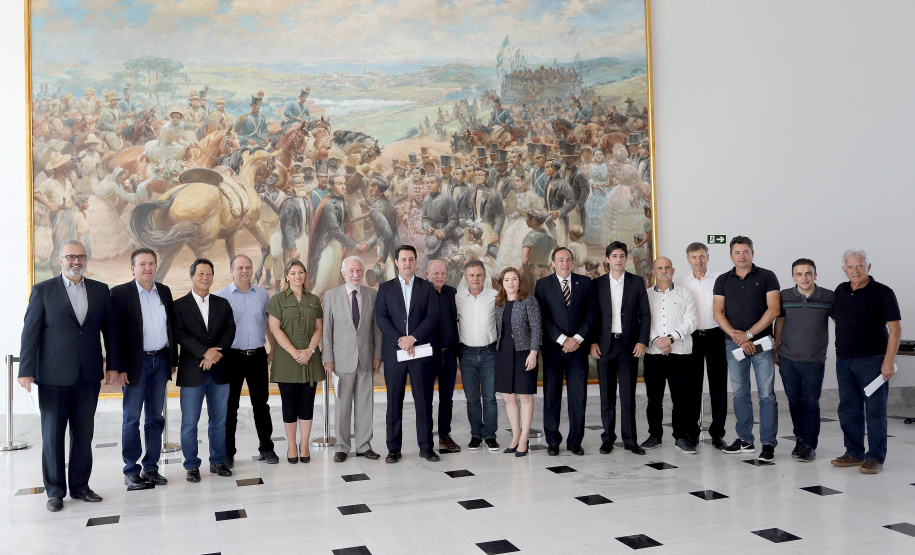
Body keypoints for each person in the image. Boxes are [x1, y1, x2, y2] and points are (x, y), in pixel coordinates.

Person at [18, 240, 119, 512]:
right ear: (60, 260)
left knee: (83, 433)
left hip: (88, 374)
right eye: (71, 256)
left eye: (81, 256)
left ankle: (80, 486)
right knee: (52, 435)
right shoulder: (43, 291)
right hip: (52, 376)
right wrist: (26, 370)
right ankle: (54, 491)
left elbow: (110, 331)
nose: (77, 261)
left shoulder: (100, 290)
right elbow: (30, 333)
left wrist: (112, 366)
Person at [110, 248, 179, 490]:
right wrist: (118, 368)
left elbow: (170, 328)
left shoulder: (164, 291)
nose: (147, 268)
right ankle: (131, 471)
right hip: (134, 365)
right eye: (142, 264)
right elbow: (113, 335)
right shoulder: (119, 294)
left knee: (156, 418)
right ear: (133, 268)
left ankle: (151, 468)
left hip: (160, 361)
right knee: (131, 419)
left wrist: (172, 359)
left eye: (151, 263)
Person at [831, 249, 902, 474]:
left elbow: (895, 329)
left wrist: (888, 362)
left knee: (874, 411)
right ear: (844, 269)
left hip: (873, 361)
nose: (855, 270)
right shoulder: (840, 291)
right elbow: (839, 319)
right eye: (850, 266)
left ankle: (875, 457)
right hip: (844, 360)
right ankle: (853, 452)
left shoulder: (883, 292)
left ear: (868, 267)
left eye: (860, 265)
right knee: (848, 409)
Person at [713, 236, 781, 463]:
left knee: (766, 395)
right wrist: (737, 337)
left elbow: (773, 310)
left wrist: (749, 335)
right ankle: (745, 439)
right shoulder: (723, 280)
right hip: (734, 344)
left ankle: (768, 443)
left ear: (753, 253)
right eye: (737, 252)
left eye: (746, 252)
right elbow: (717, 312)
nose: (742, 256)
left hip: (761, 344)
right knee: (740, 393)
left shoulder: (767, 276)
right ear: (731, 255)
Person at [375, 245, 441, 463]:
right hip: (395, 353)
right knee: (394, 401)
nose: (407, 263)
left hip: (419, 352)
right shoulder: (385, 288)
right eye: (403, 259)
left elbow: (432, 316)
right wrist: (400, 340)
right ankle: (393, 448)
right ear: (396, 262)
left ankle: (426, 446)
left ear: (416, 262)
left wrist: (413, 338)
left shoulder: (427, 287)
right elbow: (382, 319)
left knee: (423, 400)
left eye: (411, 259)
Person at [173, 258, 237, 482]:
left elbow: (230, 330)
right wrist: (204, 352)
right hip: (192, 372)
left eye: (209, 273)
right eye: (200, 273)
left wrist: (215, 354)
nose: (205, 277)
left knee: (219, 420)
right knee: (190, 422)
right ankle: (191, 465)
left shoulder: (222, 304)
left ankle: (218, 461)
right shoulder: (179, 306)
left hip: (219, 370)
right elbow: (180, 334)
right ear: (192, 276)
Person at [214, 255, 279, 467]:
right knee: (230, 406)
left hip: (257, 355)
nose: (244, 271)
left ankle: (266, 447)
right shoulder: (221, 296)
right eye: (240, 267)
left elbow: (270, 325)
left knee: (261, 405)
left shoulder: (262, 295)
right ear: (231, 270)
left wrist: (273, 349)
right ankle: (227, 452)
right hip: (231, 357)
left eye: (248, 267)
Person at [535, 246, 597, 456]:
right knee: (551, 396)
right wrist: (563, 339)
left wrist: (576, 339)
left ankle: (575, 441)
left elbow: (591, 315)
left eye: (568, 260)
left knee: (578, 397)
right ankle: (552, 441)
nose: (565, 263)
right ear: (553, 263)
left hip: (577, 351)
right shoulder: (543, 285)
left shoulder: (585, 283)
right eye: (560, 260)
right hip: (553, 349)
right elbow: (543, 317)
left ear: (573, 262)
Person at [590, 241, 650, 455]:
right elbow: (592, 317)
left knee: (628, 397)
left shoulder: (636, 282)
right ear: (607, 259)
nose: (618, 259)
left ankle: (630, 440)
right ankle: (607, 439)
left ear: (627, 258)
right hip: (604, 347)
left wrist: (642, 341)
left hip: (628, 347)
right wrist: (592, 342)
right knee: (606, 397)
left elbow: (645, 315)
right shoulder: (597, 284)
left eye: (622, 255)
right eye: (614, 256)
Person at [773, 258, 835, 463]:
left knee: (811, 403)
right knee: (793, 401)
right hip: (788, 358)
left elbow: (842, 322)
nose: (804, 278)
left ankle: (810, 444)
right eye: (799, 274)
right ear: (793, 277)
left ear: (815, 275)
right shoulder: (784, 296)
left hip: (814, 360)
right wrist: (776, 346)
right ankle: (799, 439)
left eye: (808, 273)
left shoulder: (828, 297)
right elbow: (779, 321)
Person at [322, 256, 383, 462]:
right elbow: (327, 331)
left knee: (365, 404)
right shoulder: (331, 296)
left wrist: (377, 354)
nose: (355, 274)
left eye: (359, 270)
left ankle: (364, 445)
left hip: (366, 358)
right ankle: (342, 446)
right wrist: (328, 358)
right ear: (343, 273)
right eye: (351, 271)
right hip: (340, 361)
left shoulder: (372, 295)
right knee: (342, 406)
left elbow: (377, 328)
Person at [267, 260, 325, 464]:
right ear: (286, 276)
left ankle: (304, 445)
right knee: (289, 404)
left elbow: (319, 328)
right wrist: (294, 352)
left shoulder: (314, 300)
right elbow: (275, 329)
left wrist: (309, 350)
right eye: (293, 273)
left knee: (307, 404)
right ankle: (292, 445)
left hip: (310, 359)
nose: (297, 276)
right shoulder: (278, 300)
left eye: (301, 272)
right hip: (286, 360)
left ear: (305, 275)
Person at [675, 243, 728, 450]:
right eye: (694, 257)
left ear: (708, 257)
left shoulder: (720, 278)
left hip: (716, 335)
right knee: (692, 388)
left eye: (702, 256)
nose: (698, 260)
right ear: (688, 259)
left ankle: (717, 434)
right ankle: (692, 433)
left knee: (718, 386)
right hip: (691, 337)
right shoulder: (680, 281)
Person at [642, 257, 699, 453]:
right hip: (654, 354)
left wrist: (671, 339)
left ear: (673, 271)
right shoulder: (646, 295)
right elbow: (643, 321)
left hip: (680, 354)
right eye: (660, 268)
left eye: (667, 268)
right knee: (654, 398)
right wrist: (659, 341)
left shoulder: (685, 294)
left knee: (681, 398)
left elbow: (691, 321)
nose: (664, 271)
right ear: (653, 272)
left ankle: (681, 437)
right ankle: (654, 435)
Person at [495, 267, 541, 457]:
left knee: (525, 397)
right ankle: (515, 436)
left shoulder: (528, 300)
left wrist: (533, 353)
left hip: (524, 352)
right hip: (504, 353)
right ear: (502, 283)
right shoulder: (499, 303)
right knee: (508, 397)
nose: (511, 283)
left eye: (514, 279)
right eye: (507, 280)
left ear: (519, 282)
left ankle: (523, 439)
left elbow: (537, 327)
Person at [456, 260, 500, 451]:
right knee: (472, 399)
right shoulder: (458, 297)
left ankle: (490, 435)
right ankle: (476, 435)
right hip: (466, 354)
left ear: (485, 277)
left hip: (490, 352)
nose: (475, 278)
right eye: (471, 275)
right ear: (466, 277)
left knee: (489, 398)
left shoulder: (496, 297)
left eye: (479, 275)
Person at [425, 259, 462, 452]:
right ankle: (426, 439)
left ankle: (444, 436)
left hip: (449, 355)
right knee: (427, 399)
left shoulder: (452, 293)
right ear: (426, 274)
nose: (440, 277)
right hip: (428, 357)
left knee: (447, 398)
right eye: (436, 273)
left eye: (443, 274)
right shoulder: (421, 293)